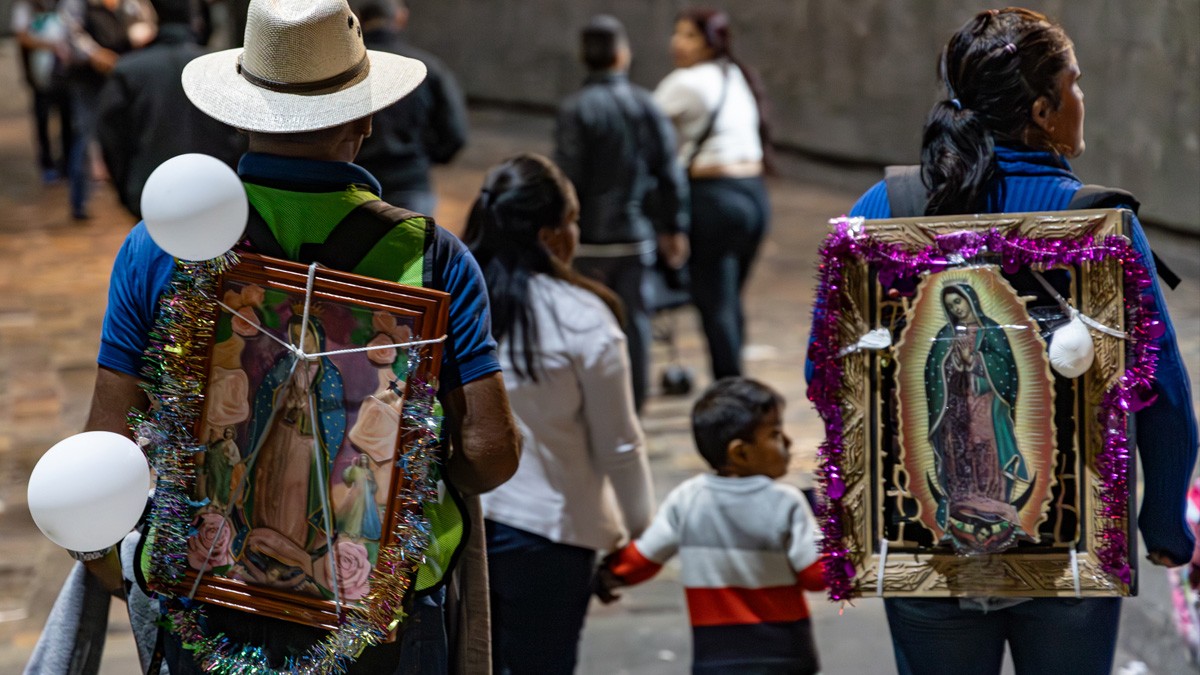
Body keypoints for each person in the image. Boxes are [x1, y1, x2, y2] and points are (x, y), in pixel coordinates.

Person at [76, 0, 520, 671]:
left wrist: (107, 562)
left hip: (208, 609)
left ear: (240, 113)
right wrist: (399, 474)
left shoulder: (159, 246)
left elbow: (108, 439)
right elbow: (490, 453)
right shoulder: (434, 257)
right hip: (375, 619)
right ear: (366, 118)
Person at [828, 8, 1198, 674]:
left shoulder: (881, 209)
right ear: (1043, 110)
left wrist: (855, 509)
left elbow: (834, 374)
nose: (1082, 99)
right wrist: (1164, 520)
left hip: (925, 546)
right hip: (1067, 548)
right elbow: (1162, 388)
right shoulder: (1096, 223)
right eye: (1075, 83)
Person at [464, 153, 655, 674]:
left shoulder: (448, 303)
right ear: (550, 234)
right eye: (572, 220)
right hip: (550, 535)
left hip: (457, 528)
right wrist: (641, 533)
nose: (576, 232)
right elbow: (620, 446)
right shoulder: (583, 318)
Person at [597, 377, 825, 674]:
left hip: (715, 659)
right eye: (775, 434)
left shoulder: (687, 498)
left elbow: (641, 560)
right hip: (784, 656)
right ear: (740, 452)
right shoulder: (786, 501)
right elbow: (817, 576)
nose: (788, 442)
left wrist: (606, 578)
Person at [553, 14, 689, 412]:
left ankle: (592, 404)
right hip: (635, 237)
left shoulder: (576, 110)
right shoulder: (646, 105)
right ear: (622, 56)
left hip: (589, 241)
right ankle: (635, 405)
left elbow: (568, 177)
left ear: (584, 57)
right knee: (637, 322)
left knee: (584, 323)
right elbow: (670, 174)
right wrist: (674, 228)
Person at [653, 8, 771, 380]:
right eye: (677, 33)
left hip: (714, 198)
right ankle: (734, 380)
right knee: (729, 299)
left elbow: (640, 123)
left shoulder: (684, 82)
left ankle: (730, 388)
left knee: (715, 300)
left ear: (710, 42)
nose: (677, 42)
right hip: (754, 197)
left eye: (688, 35)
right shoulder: (734, 74)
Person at [95, 0, 244, 218]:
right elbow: (240, 135)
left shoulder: (127, 70)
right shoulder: (221, 68)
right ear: (196, 20)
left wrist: (127, 190)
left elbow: (111, 138)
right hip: (216, 193)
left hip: (151, 196)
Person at [926, 282, 1027, 554]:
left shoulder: (991, 330)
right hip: (956, 407)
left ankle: (993, 507)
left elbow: (1006, 372)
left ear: (970, 300)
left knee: (986, 451)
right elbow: (934, 375)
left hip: (986, 405)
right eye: (950, 306)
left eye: (958, 301)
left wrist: (975, 362)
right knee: (959, 454)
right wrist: (953, 365)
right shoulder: (945, 334)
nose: (956, 309)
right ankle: (962, 507)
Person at [351, 0, 468, 214]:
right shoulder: (428, 69)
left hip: (352, 185)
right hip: (410, 185)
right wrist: (420, 159)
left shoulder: (344, 70)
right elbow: (455, 135)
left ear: (358, 18)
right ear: (401, 17)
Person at [58, 0, 157, 220]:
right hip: (88, 81)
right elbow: (69, 32)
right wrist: (96, 55)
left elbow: (145, 22)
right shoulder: (76, 4)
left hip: (125, 76)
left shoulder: (131, 3)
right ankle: (79, 202)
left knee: (131, 136)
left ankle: (135, 195)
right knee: (86, 137)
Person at [11, 0, 73, 184]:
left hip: (64, 75)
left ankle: (68, 164)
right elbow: (22, 36)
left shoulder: (64, 5)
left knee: (67, 119)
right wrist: (50, 45)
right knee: (42, 120)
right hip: (40, 77)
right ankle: (47, 164)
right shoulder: (25, 6)